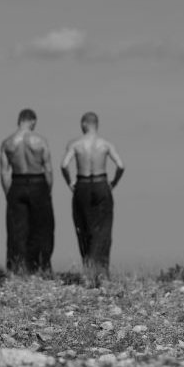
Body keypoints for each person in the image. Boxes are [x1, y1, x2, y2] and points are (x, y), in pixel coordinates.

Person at [60, 112, 125, 285]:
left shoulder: (76, 144)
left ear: (83, 124)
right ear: (97, 124)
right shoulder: (105, 144)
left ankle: (88, 269)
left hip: (81, 185)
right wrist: (114, 183)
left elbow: (64, 165)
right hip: (101, 182)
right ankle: (101, 272)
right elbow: (120, 165)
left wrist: (69, 182)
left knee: (83, 226)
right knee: (103, 228)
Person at [0, 108, 55, 274]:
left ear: (19, 120)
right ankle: (40, 267)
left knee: (17, 229)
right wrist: (48, 191)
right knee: (42, 228)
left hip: (17, 182)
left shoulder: (8, 142)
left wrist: (8, 193)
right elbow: (48, 169)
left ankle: (17, 268)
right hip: (38, 182)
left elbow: (4, 171)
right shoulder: (40, 140)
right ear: (32, 121)